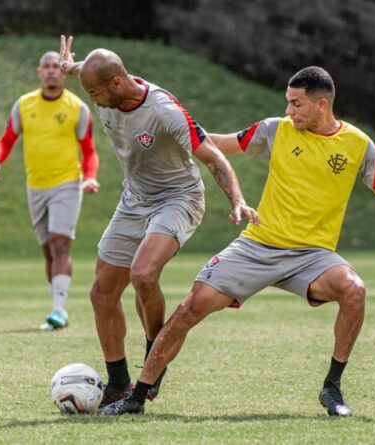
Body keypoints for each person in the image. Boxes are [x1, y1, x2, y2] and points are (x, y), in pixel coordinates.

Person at [99, 66, 375, 417]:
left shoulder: (359, 145)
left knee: (355, 290)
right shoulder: (275, 129)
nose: (289, 111)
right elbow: (219, 143)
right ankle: (138, 395)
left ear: (322, 105)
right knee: (189, 310)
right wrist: (173, 129)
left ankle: (332, 387)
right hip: (257, 245)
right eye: (288, 103)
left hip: (312, 256)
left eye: (296, 104)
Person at [58, 36, 259, 406]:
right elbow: (83, 70)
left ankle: (155, 358)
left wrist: (238, 200)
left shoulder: (164, 110)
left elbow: (213, 158)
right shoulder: (102, 82)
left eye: (95, 92)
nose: (93, 100)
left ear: (117, 83)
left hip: (178, 198)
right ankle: (118, 383)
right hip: (134, 199)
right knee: (101, 293)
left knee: (143, 274)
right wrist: (70, 66)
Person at [0, 51, 100, 331]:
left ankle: (58, 310)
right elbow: (7, 139)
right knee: (48, 249)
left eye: (55, 67)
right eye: (46, 67)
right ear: (39, 72)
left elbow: (88, 150)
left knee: (61, 243)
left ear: (63, 73)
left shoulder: (77, 108)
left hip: (67, 184)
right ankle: (56, 306)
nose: (51, 71)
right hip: (35, 185)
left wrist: (90, 178)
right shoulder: (24, 104)